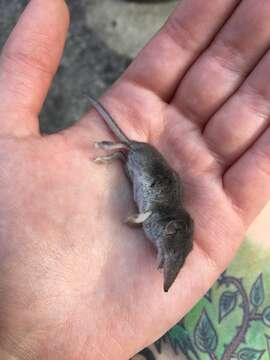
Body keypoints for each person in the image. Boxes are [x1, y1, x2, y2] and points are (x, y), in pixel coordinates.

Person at [0, 0, 269, 359]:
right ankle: (116, 149)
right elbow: (143, 214)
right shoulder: (158, 212)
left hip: (153, 178)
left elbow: (147, 219)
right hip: (146, 166)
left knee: (130, 152)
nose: (162, 258)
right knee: (128, 150)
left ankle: (118, 149)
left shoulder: (164, 221)